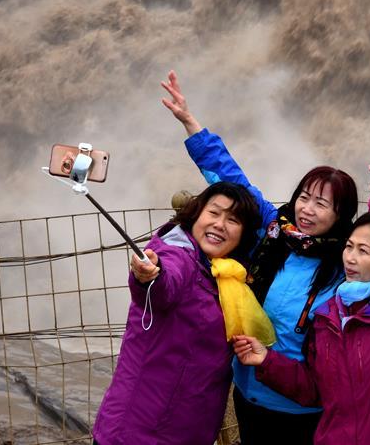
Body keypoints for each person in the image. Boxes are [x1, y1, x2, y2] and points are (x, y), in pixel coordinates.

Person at [160, 70, 358, 445]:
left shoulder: (345, 265)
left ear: (340, 216)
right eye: (304, 197)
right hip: (248, 392)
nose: (307, 210)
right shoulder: (274, 231)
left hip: (301, 410)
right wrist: (191, 123)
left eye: (321, 204)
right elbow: (233, 180)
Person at [233, 159, 370, 445]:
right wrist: (267, 360)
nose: (350, 258)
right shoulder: (329, 317)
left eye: (364, 251)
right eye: (349, 247)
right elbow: (315, 389)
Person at [92, 181, 271, 445]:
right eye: (214, 212)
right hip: (137, 432)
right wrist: (151, 274)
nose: (220, 224)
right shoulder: (178, 254)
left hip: (191, 431)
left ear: (244, 234)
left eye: (233, 220)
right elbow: (165, 283)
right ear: (197, 214)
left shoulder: (229, 276)